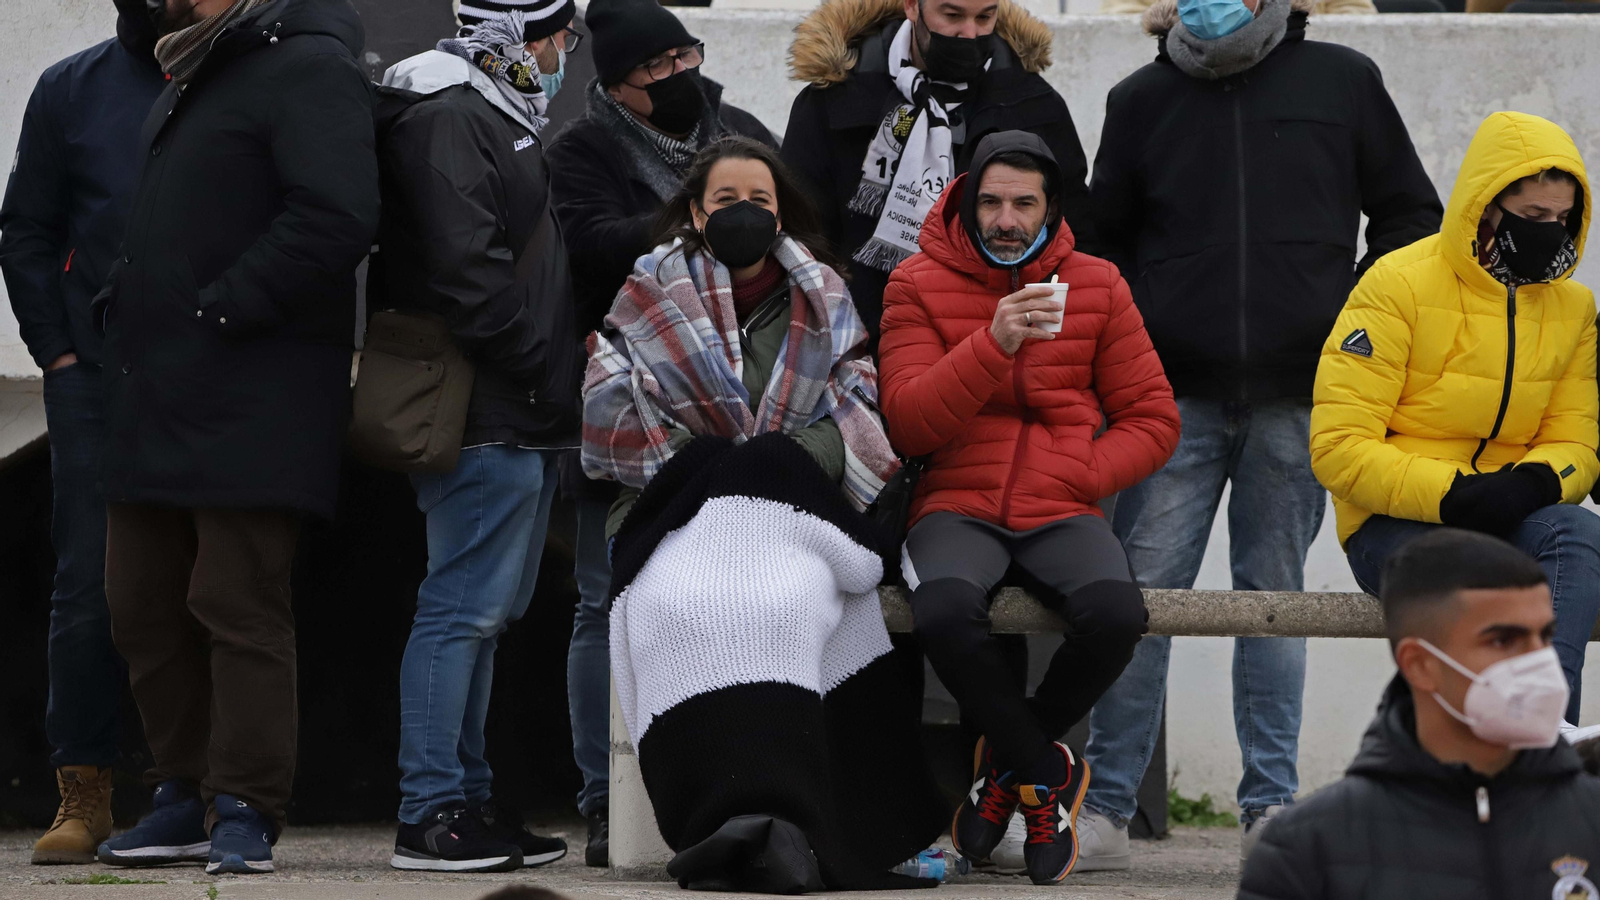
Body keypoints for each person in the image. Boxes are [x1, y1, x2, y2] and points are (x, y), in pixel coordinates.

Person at [1080, 0, 1444, 869]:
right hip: (1172, 403)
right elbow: (1102, 245)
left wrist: (1352, 319)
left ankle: (1270, 809)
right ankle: (1103, 808)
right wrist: (1146, 335)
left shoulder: (1345, 82)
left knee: (1272, 601)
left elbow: (1410, 217)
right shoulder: (1139, 100)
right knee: (1139, 602)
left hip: (1301, 400)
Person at [582, 136, 946, 892]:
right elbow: (612, 414)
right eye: (725, 201)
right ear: (694, 211)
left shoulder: (828, 296)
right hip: (669, 517)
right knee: (681, 609)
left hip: (793, 514)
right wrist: (726, 472)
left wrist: (764, 467)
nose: (743, 213)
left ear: (782, 213)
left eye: (760, 201)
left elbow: (860, 417)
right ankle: (718, 816)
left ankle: (797, 816)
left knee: (784, 608)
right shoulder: (642, 295)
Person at [92, 0, 379, 876]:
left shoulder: (308, 65)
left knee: (235, 601)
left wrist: (218, 307)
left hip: (255, 389)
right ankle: (180, 793)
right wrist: (123, 305)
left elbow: (337, 214)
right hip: (159, 387)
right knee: (140, 601)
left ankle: (245, 804)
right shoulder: (198, 68)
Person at [877, 130, 1179, 884]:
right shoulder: (916, 281)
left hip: (1062, 502)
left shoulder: (1098, 284)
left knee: (1117, 616)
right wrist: (993, 341)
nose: (1005, 219)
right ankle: (1046, 772)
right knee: (944, 613)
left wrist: (1083, 473)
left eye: (1023, 203)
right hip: (955, 499)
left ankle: (1009, 770)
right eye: (990, 202)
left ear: (1050, 208)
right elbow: (909, 422)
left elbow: (1153, 417)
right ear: (966, 200)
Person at [543, 0, 776, 865]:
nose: (680, 76)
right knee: (606, 604)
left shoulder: (740, 129)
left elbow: (799, 231)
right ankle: (606, 797)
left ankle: (717, 783)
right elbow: (586, 245)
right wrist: (698, 220)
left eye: (687, 55)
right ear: (615, 87)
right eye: (658, 68)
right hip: (629, 401)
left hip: (738, 404)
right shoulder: (582, 151)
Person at [375, 0, 582, 873]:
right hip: (486, 407)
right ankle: (429, 812)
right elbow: (468, 269)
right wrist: (537, 365)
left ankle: (468, 795)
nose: (566, 53)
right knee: (459, 611)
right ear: (521, 36)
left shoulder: (495, 107)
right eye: (559, 36)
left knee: (489, 617)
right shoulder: (453, 113)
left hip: (521, 407)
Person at [1311, 111, 1599, 730]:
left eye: (1563, 220)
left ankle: (1548, 729)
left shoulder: (1573, 306)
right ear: (1485, 209)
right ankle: (1453, 754)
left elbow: (1577, 438)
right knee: (1469, 577)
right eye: (1534, 219)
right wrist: (1454, 496)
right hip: (1398, 524)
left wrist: (1537, 484)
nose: (1553, 234)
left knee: (1574, 530)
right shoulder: (1396, 284)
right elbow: (1338, 447)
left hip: (1512, 512)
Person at [0, 0, 165, 866]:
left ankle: (204, 788)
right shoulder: (73, 88)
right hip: (93, 380)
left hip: (212, 378)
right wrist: (55, 354)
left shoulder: (245, 77)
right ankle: (84, 790)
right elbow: (25, 227)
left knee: (215, 581)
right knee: (89, 586)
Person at [1237, 529, 1600, 899]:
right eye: (1503, 640)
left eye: (1544, 637)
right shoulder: (1306, 850)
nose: (1539, 663)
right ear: (1421, 665)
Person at [781, 0, 1097, 347]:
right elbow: (801, 234)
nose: (970, 33)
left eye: (984, 17)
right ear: (913, 7)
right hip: (861, 345)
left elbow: (1076, 234)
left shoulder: (1033, 103)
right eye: (952, 15)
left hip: (1002, 355)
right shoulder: (834, 98)